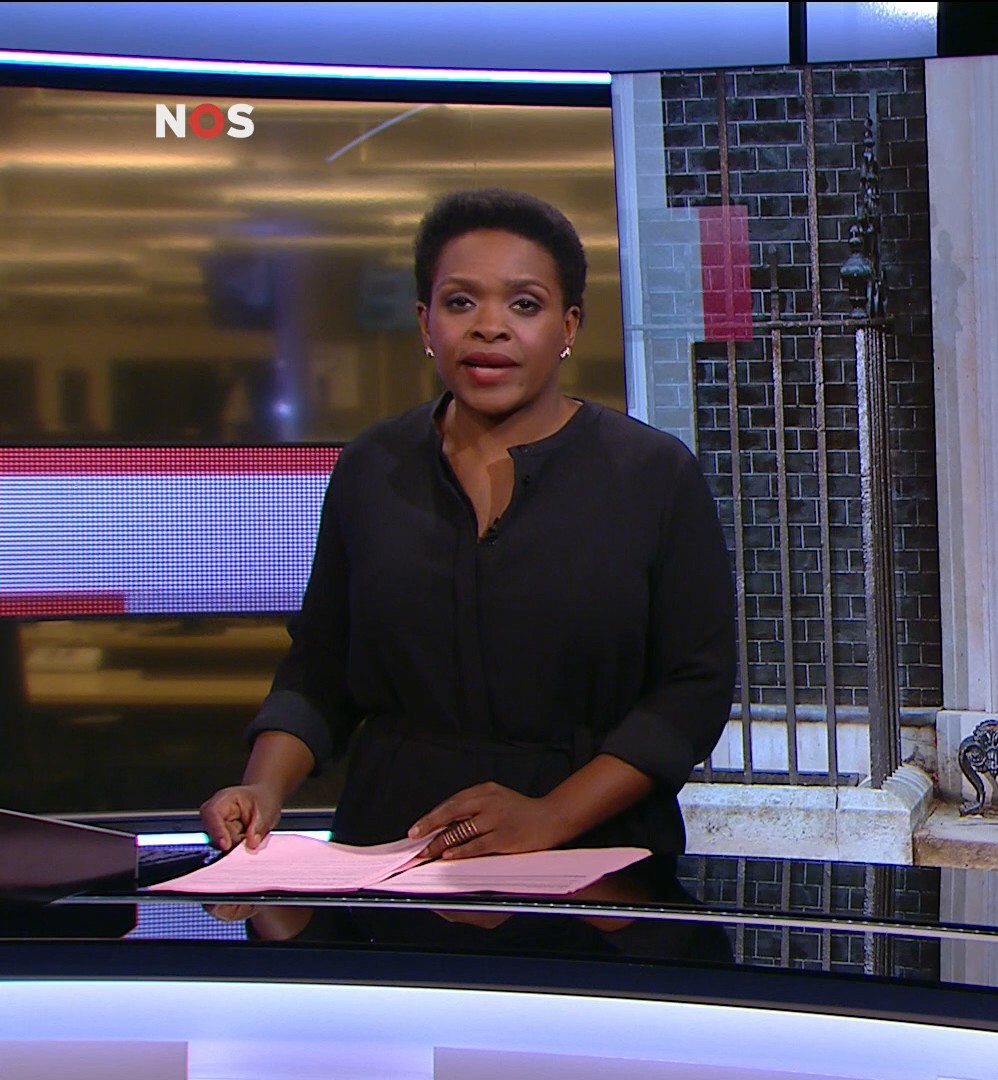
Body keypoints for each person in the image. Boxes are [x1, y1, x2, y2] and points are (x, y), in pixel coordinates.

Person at [200, 188, 736, 877]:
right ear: (426, 323)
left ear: (569, 325)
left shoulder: (653, 474)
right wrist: (263, 788)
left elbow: (693, 687)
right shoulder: (372, 465)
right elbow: (322, 662)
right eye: (460, 302)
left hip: (596, 858)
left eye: (524, 305)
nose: (489, 328)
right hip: (393, 847)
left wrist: (551, 816)